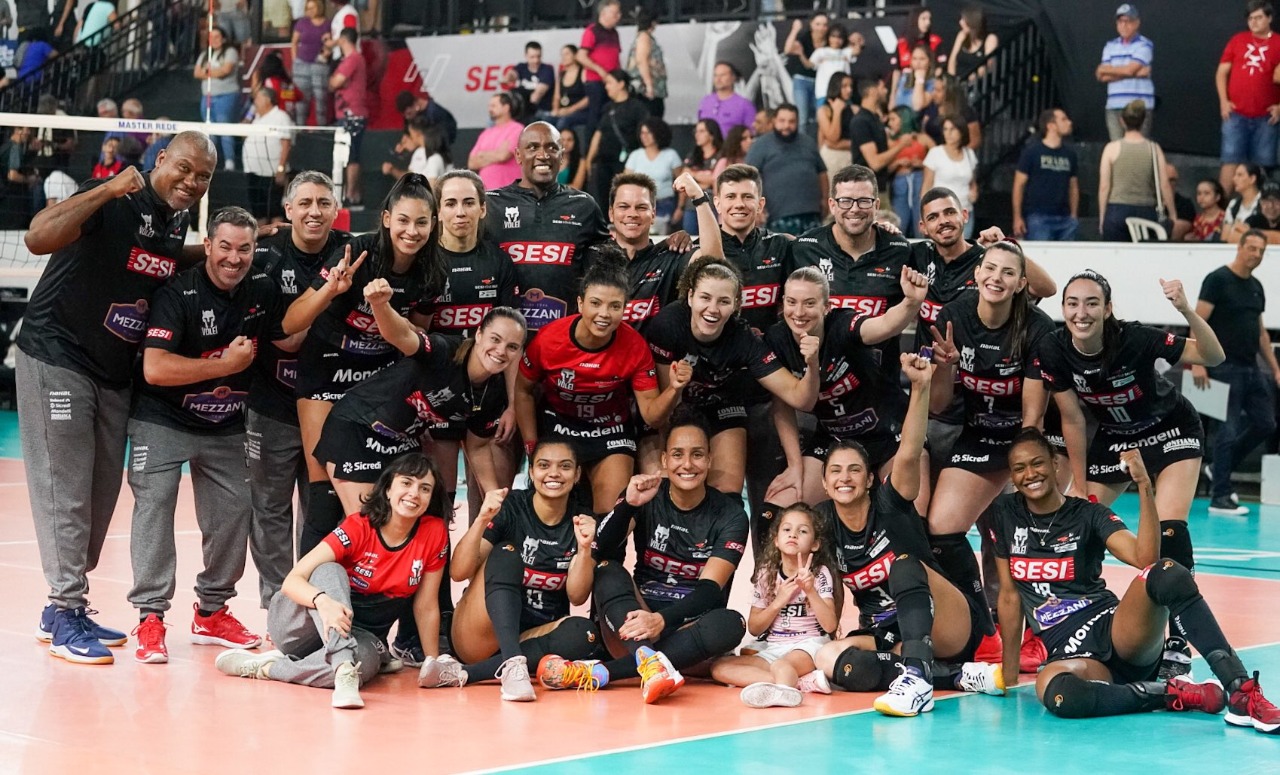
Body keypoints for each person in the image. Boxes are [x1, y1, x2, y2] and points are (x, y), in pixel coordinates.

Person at [19, 131, 216, 665]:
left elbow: (165, 262)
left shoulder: (173, 223)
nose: (192, 181)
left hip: (112, 374)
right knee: (65, 489)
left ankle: (63, 609)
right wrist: (106, 189)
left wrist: (232, 248)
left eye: (204, 176)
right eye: (185, 168)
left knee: (101, 495)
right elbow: (38, 237)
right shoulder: (111, 197)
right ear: (159, 160)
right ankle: (64, 610)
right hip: (57, 356)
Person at [993, 432, 1280, 733]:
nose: (1030, 474)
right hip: (1069, 651)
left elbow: (1145, 559)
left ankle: (1241, 690)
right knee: (1059, 694)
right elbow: (1010, 598)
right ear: (1012, 475)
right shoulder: (1005, 513)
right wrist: (1009, 676)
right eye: (1019, 468)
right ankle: (1168, 695)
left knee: (1166, 571)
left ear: (1054, 464)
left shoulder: (1088, 514)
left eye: (1037, 463)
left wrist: (1144, 485)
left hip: (1116, 631)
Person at [128, 206, 297, 664]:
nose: (234, 258)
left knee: (233, 516)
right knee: (154, 509)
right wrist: (225, 366)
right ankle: (149, 617)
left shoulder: (261, 288)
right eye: (225, 246)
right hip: (161, 419)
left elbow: (290, 336)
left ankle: (211, 611)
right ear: (207, 246)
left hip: (224, 423)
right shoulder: (177, 293)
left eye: (245, 249)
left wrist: (331, 290)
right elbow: (155, 368)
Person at [1035, 269, 1226, 673]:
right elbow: (1072, 419)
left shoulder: (1135, 338)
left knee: (1170, 531)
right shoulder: (1053, 348)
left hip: (1170, 430)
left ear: (1107, 309)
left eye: (1091, 303)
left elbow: (1213, 356)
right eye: (1072, 303)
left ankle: (1176, 641)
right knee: (1072, 527)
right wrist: (1083, 488)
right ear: (1063, 308)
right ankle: (1076, 619)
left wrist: (1186, 310)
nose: (1081, 312)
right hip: (1115, 439)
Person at [801, 352, 1003, 715]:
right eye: (835, 471)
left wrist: (921, 386)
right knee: (834, 658)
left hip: (946, 621)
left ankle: (919, 680)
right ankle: (954, 676)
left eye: (854, 470)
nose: (844, 477)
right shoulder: (823, 523)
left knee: (905, 565)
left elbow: (908, 452)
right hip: (887, 632)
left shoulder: (890, 502)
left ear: (868, 480)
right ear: (825, 483)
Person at [283, 174, 446, 555]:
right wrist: (331, 290)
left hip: (378, 382)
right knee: (323, 495)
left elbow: (415, 346)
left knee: (378, 499)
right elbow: (290, 323)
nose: (412, 231)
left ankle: (366, 599)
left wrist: (383, 309)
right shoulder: (357, 252)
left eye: (422, 222)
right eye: (403, 220)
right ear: (387, 218)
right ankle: (310, 603)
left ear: (432, 224)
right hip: (326, 367)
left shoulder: (433, 271)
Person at [215, 453, 450, 710]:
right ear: (388, 488)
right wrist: (323, 602)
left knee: (364, 667)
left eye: (424, 488)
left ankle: (273, 668)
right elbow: (292, 581)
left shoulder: (434, 532)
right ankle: (342, 664)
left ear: (430, 498)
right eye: (406, 483)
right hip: (298, 626)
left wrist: (433, 662)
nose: (414, 493)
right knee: (329, 569)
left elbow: (426, 605)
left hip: (362, 634)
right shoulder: (359, 526)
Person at [922, 240, 1061, 651]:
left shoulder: (1036, 327)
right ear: (977, 274)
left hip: (1027, 437)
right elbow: (941, 403)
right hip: (978, 431)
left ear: (1021, 283)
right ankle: (980, 623)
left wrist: (1026, 476)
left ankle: (1040, 629)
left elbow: (1033, 417)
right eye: (990, 269)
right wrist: (944, 368)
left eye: (1007, 273)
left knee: (1018, 533)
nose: (996, 278)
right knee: (942, 528)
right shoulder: (954, 316)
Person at [582, 411, 749, 703]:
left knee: (731, 622)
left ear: (709, 460)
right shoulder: (647, 497)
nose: (687, 464)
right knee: (608, 570)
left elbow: (710, 591)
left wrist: (660, 620)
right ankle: (648, 659)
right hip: (633, 624)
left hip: (686, 626)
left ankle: (610, 671)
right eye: (678, 455)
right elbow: (599, 550)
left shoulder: (730, 515)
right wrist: (627, 506)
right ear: (664, 460)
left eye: (697, 455)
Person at [418, 441, 603, 701]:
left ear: (577, 475)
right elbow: (458, 572)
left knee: (584, 633)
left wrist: (584, 550)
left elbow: (577, 596)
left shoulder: (581, 519)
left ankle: (466, 673)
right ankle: (512, 662)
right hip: (481, 632)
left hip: (532, 634)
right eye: (543, 465)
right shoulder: (513, 507)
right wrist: (482, 519)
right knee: (506, 552)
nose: (554, 473)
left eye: (565, 466)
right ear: (531, 473)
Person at [246, 171, 351, 610]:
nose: (314, 211)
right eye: (304, 203)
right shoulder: (265, 253)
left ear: (335, 208)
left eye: (323, 203)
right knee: (269, 508)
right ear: (288, 210)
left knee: (322, 508)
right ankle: (277, 604)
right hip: (270, 402)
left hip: (330, 406)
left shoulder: (352, 251)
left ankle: (320, 599)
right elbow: (279, 336)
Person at [313, 302, 523, 518]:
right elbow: (401, 336)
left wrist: (493, 495)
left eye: (512, 347)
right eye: (495, 339)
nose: (501, 351)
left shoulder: (494, 390)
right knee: (368, 525)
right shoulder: (444, 351)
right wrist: (379, 303)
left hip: (402, 442)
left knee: (407, 524)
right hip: (359, 426)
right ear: (479, 334)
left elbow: (478, 446)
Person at [516, 248, 688, 512]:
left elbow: (653, 417)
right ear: (581, 303)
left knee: (611, 516)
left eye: (614, 306)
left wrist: (675, 389)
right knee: (553, 512)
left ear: (624, 308)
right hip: (559, 427)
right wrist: (531, 444)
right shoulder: (549, 339)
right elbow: (523, 390)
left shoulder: (635, 346)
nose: (604, 314)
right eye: (595, 303)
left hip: (611, 431)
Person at [646, 258, 819, 498]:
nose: (713, 309)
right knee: (668, 491)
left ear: (737, 305)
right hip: (676, 410)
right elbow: (662, 416)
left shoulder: (743, 338)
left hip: (722, 407)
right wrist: (675, 387)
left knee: (726, 495)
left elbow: (800, 399)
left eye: (724, 301)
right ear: (690, 297)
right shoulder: (667, 325)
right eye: (705, 298)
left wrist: (812, 363)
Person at [768, 266, 928, 507]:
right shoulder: (776, 339)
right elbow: (782, 406)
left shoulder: (843, 324)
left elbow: (883, 325)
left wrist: (911, 303)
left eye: (810, 303)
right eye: (792, 302)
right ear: (783, 305)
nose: (799, 312)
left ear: (827, 307)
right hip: (834, 439)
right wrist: (794, 466)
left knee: (909, 514)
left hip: (890, 434)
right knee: (782, 507)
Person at [485, 121, 609, 335]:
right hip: (506, 341)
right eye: (532, 147)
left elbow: (614, 259)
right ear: (518, 155)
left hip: (564, 338)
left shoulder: (584, 205)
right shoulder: (490, 204)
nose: (543, 155)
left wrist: (667, 246)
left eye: (551, 147)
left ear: (562, 155)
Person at [709, 504, 838, 708]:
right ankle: (798, 682)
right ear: (776, 540)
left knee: (782, 665)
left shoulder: (819, 572)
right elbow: (754, 627)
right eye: (786, 529)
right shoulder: (766, 574)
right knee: (719, 668)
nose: (793, 534)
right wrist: (778, 601)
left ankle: (784, 688)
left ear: (815, 544)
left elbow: (830, 626)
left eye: (802, 531)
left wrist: (811, 591)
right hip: (774, 647)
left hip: (807, 645)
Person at [1195, 230, 1280, 515]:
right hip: (1223, 367)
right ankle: (1220, 496)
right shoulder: (1217, 280)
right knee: (1227, 431)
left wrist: (1275, 368)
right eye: (1252, 248)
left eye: (1261, 250)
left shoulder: (1256, 286)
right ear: (1240, 248)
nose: (1256, 255)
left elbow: (1260, 332)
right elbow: (1198, 320)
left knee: (1265, 423)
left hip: (1250, 368)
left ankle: (1218, 468)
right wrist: (1197, 362)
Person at [610, 171, 718, 338]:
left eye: (641, 207)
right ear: (611, 213)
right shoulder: (593, 256)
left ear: (653, 214)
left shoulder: (670, 257)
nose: (632, 214)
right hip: (600, 362)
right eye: (623, 206)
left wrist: (699, 198)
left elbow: (715, 265)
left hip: (657, 362)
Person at [1217, 1, 1280, 196]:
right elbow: (1221, 73)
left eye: (1259, 17)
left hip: (1266, 117)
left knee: (1262, 166)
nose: (1253, 22)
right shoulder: (1238, 40)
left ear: (1270, 18)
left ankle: (1260, 215)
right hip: (1236, 114)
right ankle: (1221, 212)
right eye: (1250, 18)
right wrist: (1223, 101)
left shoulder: (1279, 43)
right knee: (1229, 160)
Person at [1098, 100, 1175, 241]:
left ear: (1122, 121)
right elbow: (1164, 184)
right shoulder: (1154, 148)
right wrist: (1172, 213)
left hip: (1117, 210)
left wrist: (1102, 216)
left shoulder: (1111, 148)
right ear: (1144, 120)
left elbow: (1104, 186)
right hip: (1146, 210)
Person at [745, 104, 827, 236]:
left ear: (797, 122)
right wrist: (755, 205)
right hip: (777, 215)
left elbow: (822, 172)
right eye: (782, 121)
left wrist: (825, 199)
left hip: (811, 214)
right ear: (774, 121)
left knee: (812, 254)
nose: (786, 126)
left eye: (791, 121)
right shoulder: (761, 145)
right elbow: (748, 176)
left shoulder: (808, 142)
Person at [576, 69, 648, 214]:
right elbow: (598, 133)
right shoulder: (607, 107)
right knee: (602, 198)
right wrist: (589, 159)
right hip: (603, 161)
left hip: (625, 161)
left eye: (609, 83)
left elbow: (645, 133)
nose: (606, 86)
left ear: (621, 84)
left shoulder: (637, 107)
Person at [1013, 108, 1079, 241]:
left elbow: (1073, 186)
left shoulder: (1070, 154)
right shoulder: (1032, 152)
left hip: (1065, 217)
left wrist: (1073, 215)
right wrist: (1017, 217)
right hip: (1038, 216)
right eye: (1063, 119)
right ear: (1051, 125)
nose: (1069, 122)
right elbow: (1018, 185)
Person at [1097, 4, 1155, 140]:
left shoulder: (1144, 44)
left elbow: (1129, 69)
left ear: (1137, 23)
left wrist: (1109, 70)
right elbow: (1101, 75)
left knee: (1137, 149)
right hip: (1114, 105)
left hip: (1138, 107)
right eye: (1120, 21)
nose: (1124, 25)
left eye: (1128, 21)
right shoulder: (1110, 45)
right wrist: (1135, 73)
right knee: (1116, 149)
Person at [849, 77, 913, 193]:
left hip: (880, 187)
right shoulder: (861, 121)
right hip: (867, 192)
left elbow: (883, 151)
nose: (886, 91)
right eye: (883, 87)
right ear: (873, 91)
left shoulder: (875, 119)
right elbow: (875, 163)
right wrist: (901, 145)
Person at [329, 28, 368, 209]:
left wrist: (338, 81)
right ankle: (352, 195)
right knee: (349, 154)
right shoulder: (352, 59)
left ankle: (352, 196)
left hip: (351, 115)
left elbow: (334, 83)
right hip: (346, 114)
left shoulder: (353, 59)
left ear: (343, 39)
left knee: (351, 155)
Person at [242, 87, 294, 224]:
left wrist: (281, 169)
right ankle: (261, 242)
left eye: (258, 98)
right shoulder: (257, 118)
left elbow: (286, 144)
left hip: (271, 173)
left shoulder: (281, 117)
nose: (255, 101)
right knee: (259, 213)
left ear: (267, 99)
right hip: (253, 172)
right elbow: (241, 132)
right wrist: (249, 115)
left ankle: (277, 242)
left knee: (275, 211)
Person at [923, 117, 979, 239]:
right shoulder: (935, 153)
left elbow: (972, 182)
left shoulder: (969, 153)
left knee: (964, 250)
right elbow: (926, 187)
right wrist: (923, 215)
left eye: (952, 129)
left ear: (961, 131)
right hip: (940, 214)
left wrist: (974, 192)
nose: (948, 133)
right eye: (945, 129)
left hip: (965, 211)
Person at [194, 25, 240, 170]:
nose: (214, 40)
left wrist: (207, 71)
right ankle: (212, 163)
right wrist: (214, 71)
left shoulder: (230, 52)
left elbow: (225, 71)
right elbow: (196, 74)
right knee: (210, 130)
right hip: (207, 96)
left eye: (217, 36)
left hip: (225, 96)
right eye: (211, 37)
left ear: (224, 38)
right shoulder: (205, 54)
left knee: (223, 128)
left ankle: (229, 162)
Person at [624, 118, 682, 234]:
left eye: (648, 132)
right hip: (639, 205)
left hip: (665, 204)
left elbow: (682, 184)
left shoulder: (671, 155)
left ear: (658, 133)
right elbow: (625, 183)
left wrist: (680, 208)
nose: (644, 136)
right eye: (642, 133)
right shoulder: (635, 155)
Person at [576, 0, 623, 135]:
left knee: (611, 114)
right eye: (615, 13)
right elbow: (581, 56)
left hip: (612, 81)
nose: (618, 16)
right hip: (596, 81)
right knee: (595, 115)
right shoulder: (592, 31)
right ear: (603, 13)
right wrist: (600, 71)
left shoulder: (615, 33)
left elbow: (616, 57)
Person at [886, 107, 931, 237]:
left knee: (922, 225)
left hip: (920, 182)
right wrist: (897, 163)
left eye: (893, 119)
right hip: (899, 184)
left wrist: (922, 164)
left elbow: (938, 159)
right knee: (899, 226)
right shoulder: (890, 141)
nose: (890, 123)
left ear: (904, 119)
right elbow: (884, 169)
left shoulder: (922, 138)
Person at [468, 93, 524, 191]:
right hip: (487, 193)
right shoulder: (486, 133)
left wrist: (482, 154)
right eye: (489, 106)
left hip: (509, 192)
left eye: (493, 106)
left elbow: (503, 156)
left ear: (506, 108)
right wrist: (496, 154)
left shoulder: (517, 129)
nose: (490, 109)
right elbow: (471, 163)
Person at [783, 12, 829, 132]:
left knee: (819, 118)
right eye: (818, 24)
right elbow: (787, 49)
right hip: (802, 81)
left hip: (820, 83)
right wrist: (795, 30)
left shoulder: (830, 40)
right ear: (811, 25)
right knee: (802, 118)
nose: (821, 28)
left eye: (824, 25)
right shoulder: (805, 37)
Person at [679, 119, 722, 235]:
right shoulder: (693, 156)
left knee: (712, 236)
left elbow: (714, 180)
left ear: (712, 135)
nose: (697, 134)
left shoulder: (721, 156)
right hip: (690, 206)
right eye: (696, 131)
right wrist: (679, 207)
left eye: (702, 131)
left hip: (712, 205)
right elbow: (683, 180)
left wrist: (692, 175)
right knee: (691, 240)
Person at [291, 0, 330, 126]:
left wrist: (325, 54)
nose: (310, 11)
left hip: (320, 65)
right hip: (301, 64)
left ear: (319, 8)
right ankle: (300, 130)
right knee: (301, 101)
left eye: (312, 8)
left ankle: (321, 130)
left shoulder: (327, 23)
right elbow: (294, 42)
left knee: (321, 99)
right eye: (308, 8)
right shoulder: (302, 23)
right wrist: (295, 60)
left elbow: (330, 44)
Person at [697, 61, 756, 139]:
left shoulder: (745, 105)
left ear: (733, 77)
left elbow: (752, 133)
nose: (718, 79)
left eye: (723, 75)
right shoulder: (705, 101)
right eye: (715, 75)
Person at [625, 7, 666, 119]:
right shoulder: (644, 37)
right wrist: (649, 85)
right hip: (645, 90)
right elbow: (641, 60)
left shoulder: (642, 37)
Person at [249, 52, 302, 129]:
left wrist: (248, 117)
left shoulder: (269, 82)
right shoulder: (289, 84)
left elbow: (258, 103)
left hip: (273, 123)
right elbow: (300, 96)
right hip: (290, 123)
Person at [508, 41, 555, 122]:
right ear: (526, 56)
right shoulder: (521, 67)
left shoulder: (547, 70)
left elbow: (535, 98)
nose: (536, 60)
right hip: (523, 110)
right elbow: (512, 75)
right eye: (532, 57)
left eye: (538, 56)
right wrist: (509, 77)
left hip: (541, 110)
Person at [948, 4, 997, 80]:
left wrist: (968, 80)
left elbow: (987, 66)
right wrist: (952, 80)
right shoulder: (961, 35)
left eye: (963, 19)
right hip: (957, 82)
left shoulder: (990, 39)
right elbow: (952, 60)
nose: (960, 22)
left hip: (976, 84)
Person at [817, 73, 854, 174]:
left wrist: (847, 144)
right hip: (831, 158)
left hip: (850, 158)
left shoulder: (854, 109)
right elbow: (832, 137)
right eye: (844, 86)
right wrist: (837, 111)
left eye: (850, 86)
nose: (849, 90)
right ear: (836, 87)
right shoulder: (824, 110)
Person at [811, 23, 852, 111]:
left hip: (842, 94)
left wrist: (854, 40)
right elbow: (809, 64)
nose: (836, 40)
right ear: (828, 37)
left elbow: (857, 50)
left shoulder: (846, 52)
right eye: (833, 36)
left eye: (839, 37)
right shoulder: (821, 51)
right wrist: (801, 54)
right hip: (823, 93)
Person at [550, 44, 590, 133]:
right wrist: (556, 110)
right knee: (545, 120)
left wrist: (570, 110)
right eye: (562, 55)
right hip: (563, 110)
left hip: (580, 111)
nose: (563, 57)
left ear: (575, 55)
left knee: (563, 121)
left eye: (567, 54)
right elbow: (557, 97)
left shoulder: (583, 72)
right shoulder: (561, 74)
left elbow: (588, 98)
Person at [898, 5, 946, 73]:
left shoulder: (936, 41)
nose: (928, 23)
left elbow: (940, 68)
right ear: (915, 19)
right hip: (907, 80)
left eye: (929, 19)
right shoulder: (902, 43)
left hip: (929, 79)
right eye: (924, 19)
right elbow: (896, 70)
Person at [1223, 162, 1264, 241]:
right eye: (1235, 175)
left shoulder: (1265, 203)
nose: (1234, 179)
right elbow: (1225, 237)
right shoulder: (1233, 204)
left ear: (1252, 179)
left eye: (1240, 175)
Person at [891, 44, 936, 112]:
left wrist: (919, 79)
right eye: (914, 59)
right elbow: (894, 102)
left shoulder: (932, 83)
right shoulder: (904, 77)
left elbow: (917, 106)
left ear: (929, 62)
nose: (918, 63)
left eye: (922, 59)